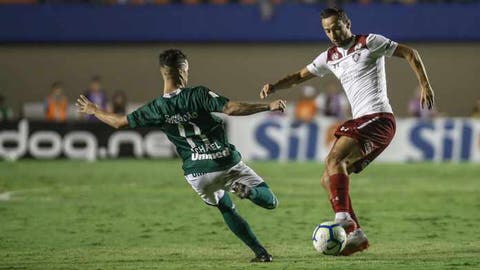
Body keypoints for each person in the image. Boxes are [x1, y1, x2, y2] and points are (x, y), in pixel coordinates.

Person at [76, 49, 286, 263]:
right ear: (184, 70)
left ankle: (261, 253)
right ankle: (248, 192)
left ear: (162, 73)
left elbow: (119, 122)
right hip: (224, 162)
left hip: (197, 175)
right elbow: (231, 109)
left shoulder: (156, 107)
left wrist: (95, 110)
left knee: (225, 207)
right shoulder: (198, 95)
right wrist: (267, 106)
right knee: (270, 201)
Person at [260, 8, 434, 256]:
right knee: (327, 178)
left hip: (378, 117)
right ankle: (357, 235)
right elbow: (299, 76)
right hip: (365, 121)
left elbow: (409, 52)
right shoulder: (329, 56)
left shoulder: (369, 42)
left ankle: (342, 218)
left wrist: (424, 85)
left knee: (333, 159)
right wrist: (275, 86)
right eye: (327, 30)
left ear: (347, 23)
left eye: (336, 27)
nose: (332, 33)